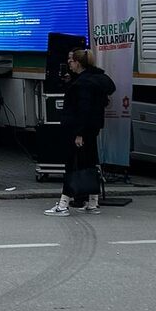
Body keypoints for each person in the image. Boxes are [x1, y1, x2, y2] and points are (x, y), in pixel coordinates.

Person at [45, 48, 115, 217]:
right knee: (90, 163)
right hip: (93, 129)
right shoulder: (97, 80)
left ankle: (63, 204)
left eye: (71, 61)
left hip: (78, 130)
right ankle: (93, 202)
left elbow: (83, 110)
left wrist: (79, 133)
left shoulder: (82, 84)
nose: (69, 63)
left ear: (78, 62)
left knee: (73, 165)